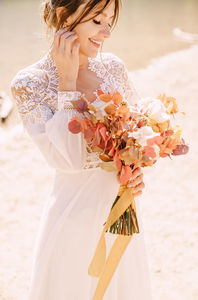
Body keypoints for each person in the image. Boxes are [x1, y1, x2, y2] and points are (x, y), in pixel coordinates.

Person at [10, 0, 153, 299]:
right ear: (64, 16)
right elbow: (69, 160)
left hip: (122, 220)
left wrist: (136, 169)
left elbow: (139, 138)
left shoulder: (113, 68)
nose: (106, 32)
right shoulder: (28, 84)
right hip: (73, 220)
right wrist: (67, 82)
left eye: (109, 21)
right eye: (97, 21)